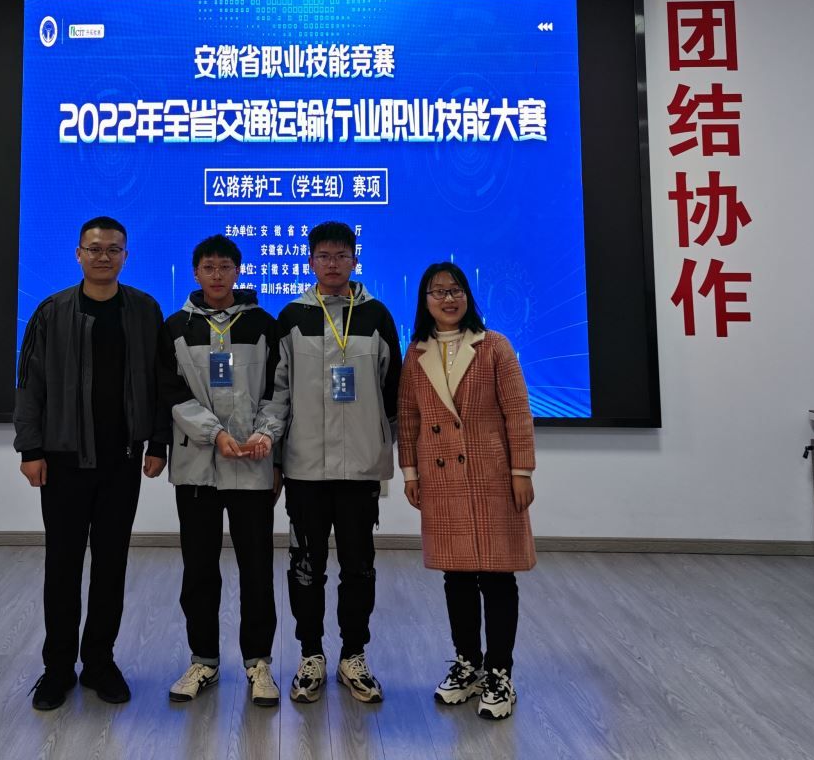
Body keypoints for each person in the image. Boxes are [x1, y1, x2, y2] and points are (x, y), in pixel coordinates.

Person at [13, 216, 169, 712]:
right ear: (78, 253)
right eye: (95, 248)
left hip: (122, 460)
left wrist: (158, 442)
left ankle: (100, 662)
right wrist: (30, 449)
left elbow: (160, 383)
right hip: (62, 460)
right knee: (62, 565)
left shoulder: (144, 310)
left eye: (113, 249)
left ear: (126, 255)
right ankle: (57, 669)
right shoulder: (52, 311)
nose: (104, 257)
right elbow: (30, 385)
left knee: (110, 564)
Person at [266, 221, 401, 704]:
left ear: (354, 260)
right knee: (306, 565)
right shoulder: (292, 317)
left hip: (360, 468)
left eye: (342, 255)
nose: (333, 264)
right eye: (324, 256)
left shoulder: (377, 316)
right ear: (310, 262)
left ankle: (353, 655)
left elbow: (392, 393)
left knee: (359, 566)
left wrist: (384, 450)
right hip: (305, 467)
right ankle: (311, 654)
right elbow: (278, 393)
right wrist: (275, 458)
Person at [398, 261, 536, 722]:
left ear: (467, 297)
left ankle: (499, 671)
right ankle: (467, 664)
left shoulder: (494, 346)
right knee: (456, 576)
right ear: (425, 301)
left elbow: (517, 412)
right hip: (441, 479)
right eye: (438, 291)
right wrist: (410, 473)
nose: (448, 298)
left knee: (497, 575)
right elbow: (409, 418)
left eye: (455, 290)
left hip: (492, 475)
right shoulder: (416, 352)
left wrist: (522, 470)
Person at [158, 235, 284, 709]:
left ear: (238, 271)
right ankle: (204, 660)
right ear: (196, 273)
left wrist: (265, 435)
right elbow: (170, 391)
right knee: (198, 569)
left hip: (252, 464)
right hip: (197, 468)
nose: (216, 274)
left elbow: (278, 390)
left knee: (257, 569)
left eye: (225, 266)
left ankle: (258, 662)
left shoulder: (263, 325)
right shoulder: (175, 327)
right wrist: (214, 434)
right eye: (208, 266)